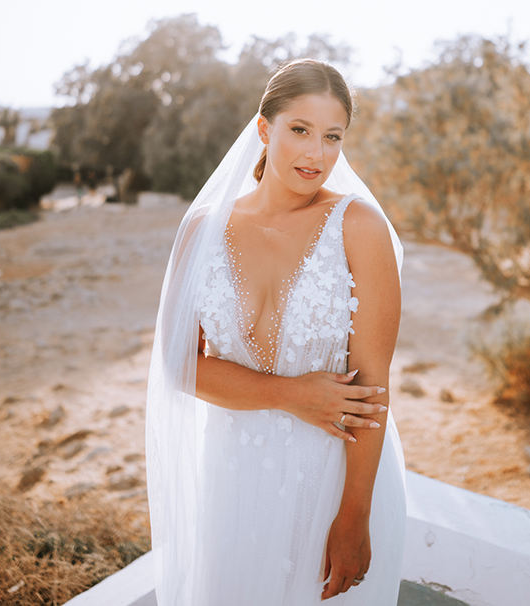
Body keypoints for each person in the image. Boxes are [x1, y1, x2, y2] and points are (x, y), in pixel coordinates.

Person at [146, 60, 406, 605]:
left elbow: (372, 390)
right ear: (264, 129)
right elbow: (179, 366)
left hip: (331, 476)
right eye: (300, 130)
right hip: (231, 475)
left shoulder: (359, 228)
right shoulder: (202, 230)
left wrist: (354, 516)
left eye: (332, 136)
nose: (316, 154)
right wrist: (293, 395)